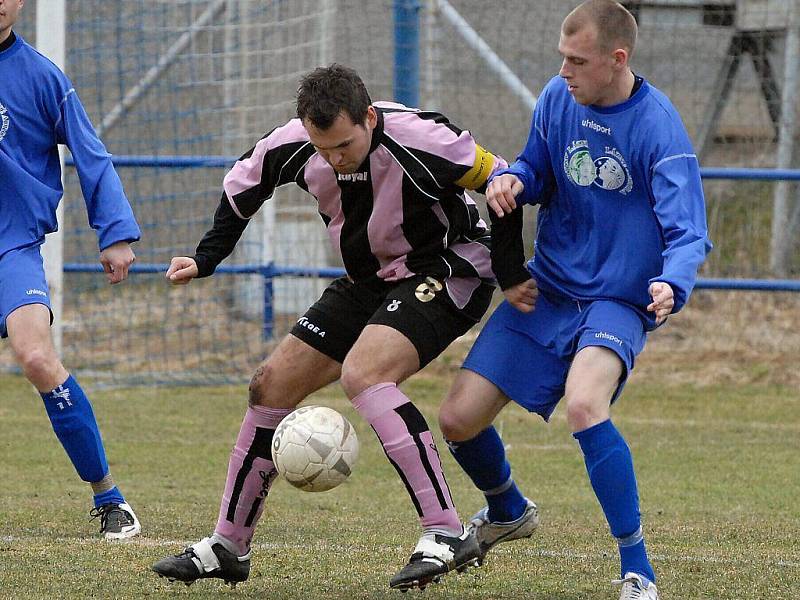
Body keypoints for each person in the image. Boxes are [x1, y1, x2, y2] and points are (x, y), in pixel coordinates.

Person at [152, 63, 506, 590]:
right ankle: (228, 545)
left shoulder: (420, 136)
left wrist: (519, 272)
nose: (335, 159)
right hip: (370, 280)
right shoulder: (295, 143)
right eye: (323, 150)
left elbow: (503, 181)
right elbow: (241, 188)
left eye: (344, 145)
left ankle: (446, 531)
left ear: (368, 117)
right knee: (269, 386)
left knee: (364, 375)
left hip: (449, 267)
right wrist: (206, 259)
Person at [437, 2, 712, 599]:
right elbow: (539, 165)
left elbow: (689, 232)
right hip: (550, 288)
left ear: (618, 60)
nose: (565, 71)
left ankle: (638, 570)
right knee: (457, 420)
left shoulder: (659, 128)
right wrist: (516, 180)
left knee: (586, 406)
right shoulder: (558, 100)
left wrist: (673, 281)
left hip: (617, 299)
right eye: (562, 58)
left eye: (578, 62)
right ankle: (508, 509)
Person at [0, 0, 141, 539]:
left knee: (36, 357)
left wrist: (116, 232)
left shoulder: (42, 77)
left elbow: (90, 153)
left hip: (12, 247)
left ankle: (110, 500)